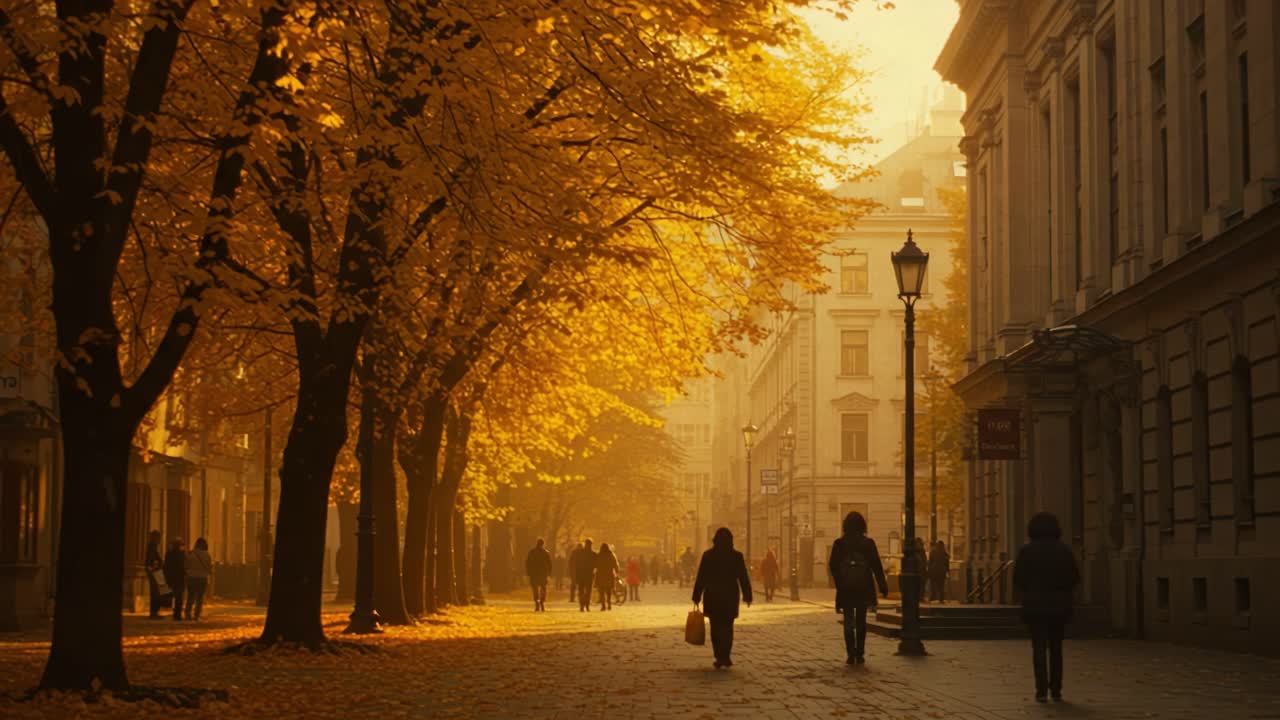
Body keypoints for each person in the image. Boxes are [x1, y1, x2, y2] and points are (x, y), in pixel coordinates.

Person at [1013, 512, 1080, 703]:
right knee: (1056, 647)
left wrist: (1031, 590)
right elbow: (1074, 577)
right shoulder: (1064, 551)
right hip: (1059, 606)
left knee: (1039, 647)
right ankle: (1057, 689)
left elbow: (1018, 579)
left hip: (1035, 606)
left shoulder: (1026, 551)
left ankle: (1041, 690)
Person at [828, 511, 888, 665]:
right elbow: (876, 566)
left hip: (846, 588)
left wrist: (840, 581)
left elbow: (833, 566)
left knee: (848, 620)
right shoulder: (868, 543)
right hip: (863, 587)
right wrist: (882, 585)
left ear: (845, 526)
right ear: (863, 525)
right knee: (861, 621)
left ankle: (850, 653)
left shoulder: (839, 544)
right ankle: (860, 654)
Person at [692, 528, 752, 669]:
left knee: (715, 627)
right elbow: (743, 577)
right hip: (730, 596)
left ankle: (719, 656)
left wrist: (696, 596)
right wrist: (747, 595)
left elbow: (702, 577)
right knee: (728, 627)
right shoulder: (736, 556)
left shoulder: (708, 556)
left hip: (713, 596)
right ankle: (726, 656)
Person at [184, 537, 213, 621]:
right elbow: (209, 567)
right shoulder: (207, 555)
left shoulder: (191, 554)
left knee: (190, 596)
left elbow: (186, 566)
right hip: (202, 578)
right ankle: (196, 614)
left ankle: (187, 613)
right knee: (199, 598)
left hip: (191, 577)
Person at [526, 538, 553, 612]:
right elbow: (549, 564)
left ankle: (536, 602)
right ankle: (542, 601)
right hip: (543, 573)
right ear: (543, 544)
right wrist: (549, 573)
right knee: (543, 588)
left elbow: (528, 563)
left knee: (535, 589)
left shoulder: (532, 552)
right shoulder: (545, 552)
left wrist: (528, 572)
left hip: (534, 573)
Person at [164, 537, 187, 621]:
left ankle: (175, 612)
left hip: (171, 577)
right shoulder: (181, 554)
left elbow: (166, 566)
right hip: (179, 578)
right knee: (179, 597)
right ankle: (177, 613)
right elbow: (183, 566)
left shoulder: (169, 553)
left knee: (173, 595)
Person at [145, 529, 166, 618]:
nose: (160, 540)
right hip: (154, 572)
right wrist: (155, 567)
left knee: (156, 592)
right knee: (155, 593)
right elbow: (151, 560)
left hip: (154, 571)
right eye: (159, 537)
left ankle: (154, 612)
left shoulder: (153, 546)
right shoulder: (152, 547)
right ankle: (154, 613)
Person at [595, 543, 619, 611]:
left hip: (600, 575)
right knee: (609, 591)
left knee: (601, 591)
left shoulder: (598, 555)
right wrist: (616, 572)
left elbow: (595, 564)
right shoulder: (611, 555)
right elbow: (615, 564)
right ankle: (609, 604)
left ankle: (603, 605)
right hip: (609, 575)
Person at [574, 539, 596, 611]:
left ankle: (581, 605)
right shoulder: (593, 554)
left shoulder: (579, 553)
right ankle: (587, 604)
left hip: (580, 575)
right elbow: (596, 565)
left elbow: (576, 564)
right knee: (588, 591)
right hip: (589, 575)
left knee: (581, 590)